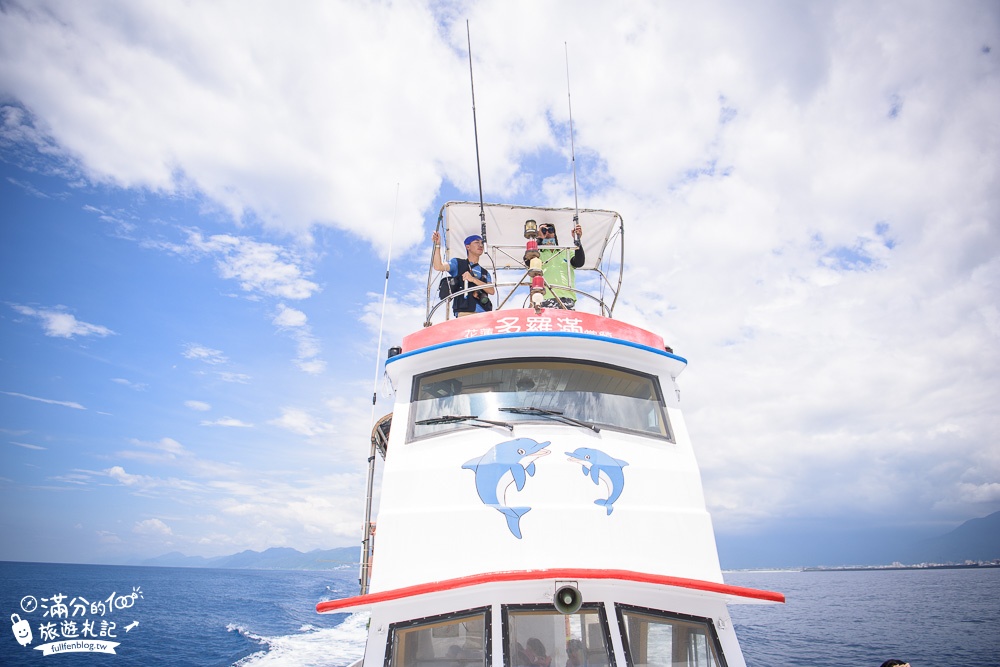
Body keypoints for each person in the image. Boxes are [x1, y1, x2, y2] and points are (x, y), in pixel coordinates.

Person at [432, 230, 494, 316]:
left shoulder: (485, 272)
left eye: (482, 243)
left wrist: (473, 279)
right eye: (476, 242)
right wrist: (437, 245)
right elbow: (438, 266)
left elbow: (491, 290)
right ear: (467, 247)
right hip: (465, 312)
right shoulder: (457, 263)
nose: (480, 245)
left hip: (484, 312)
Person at [526, 221, 584, 309]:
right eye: (544, 230)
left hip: (566, 298)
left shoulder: (565, 251)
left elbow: (579, 262)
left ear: (555, 234)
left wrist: (577, 240)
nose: (548, 233)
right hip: (541, 298)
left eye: (550, 230)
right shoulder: (536, 254)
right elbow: (527, 261)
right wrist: (540, 239)